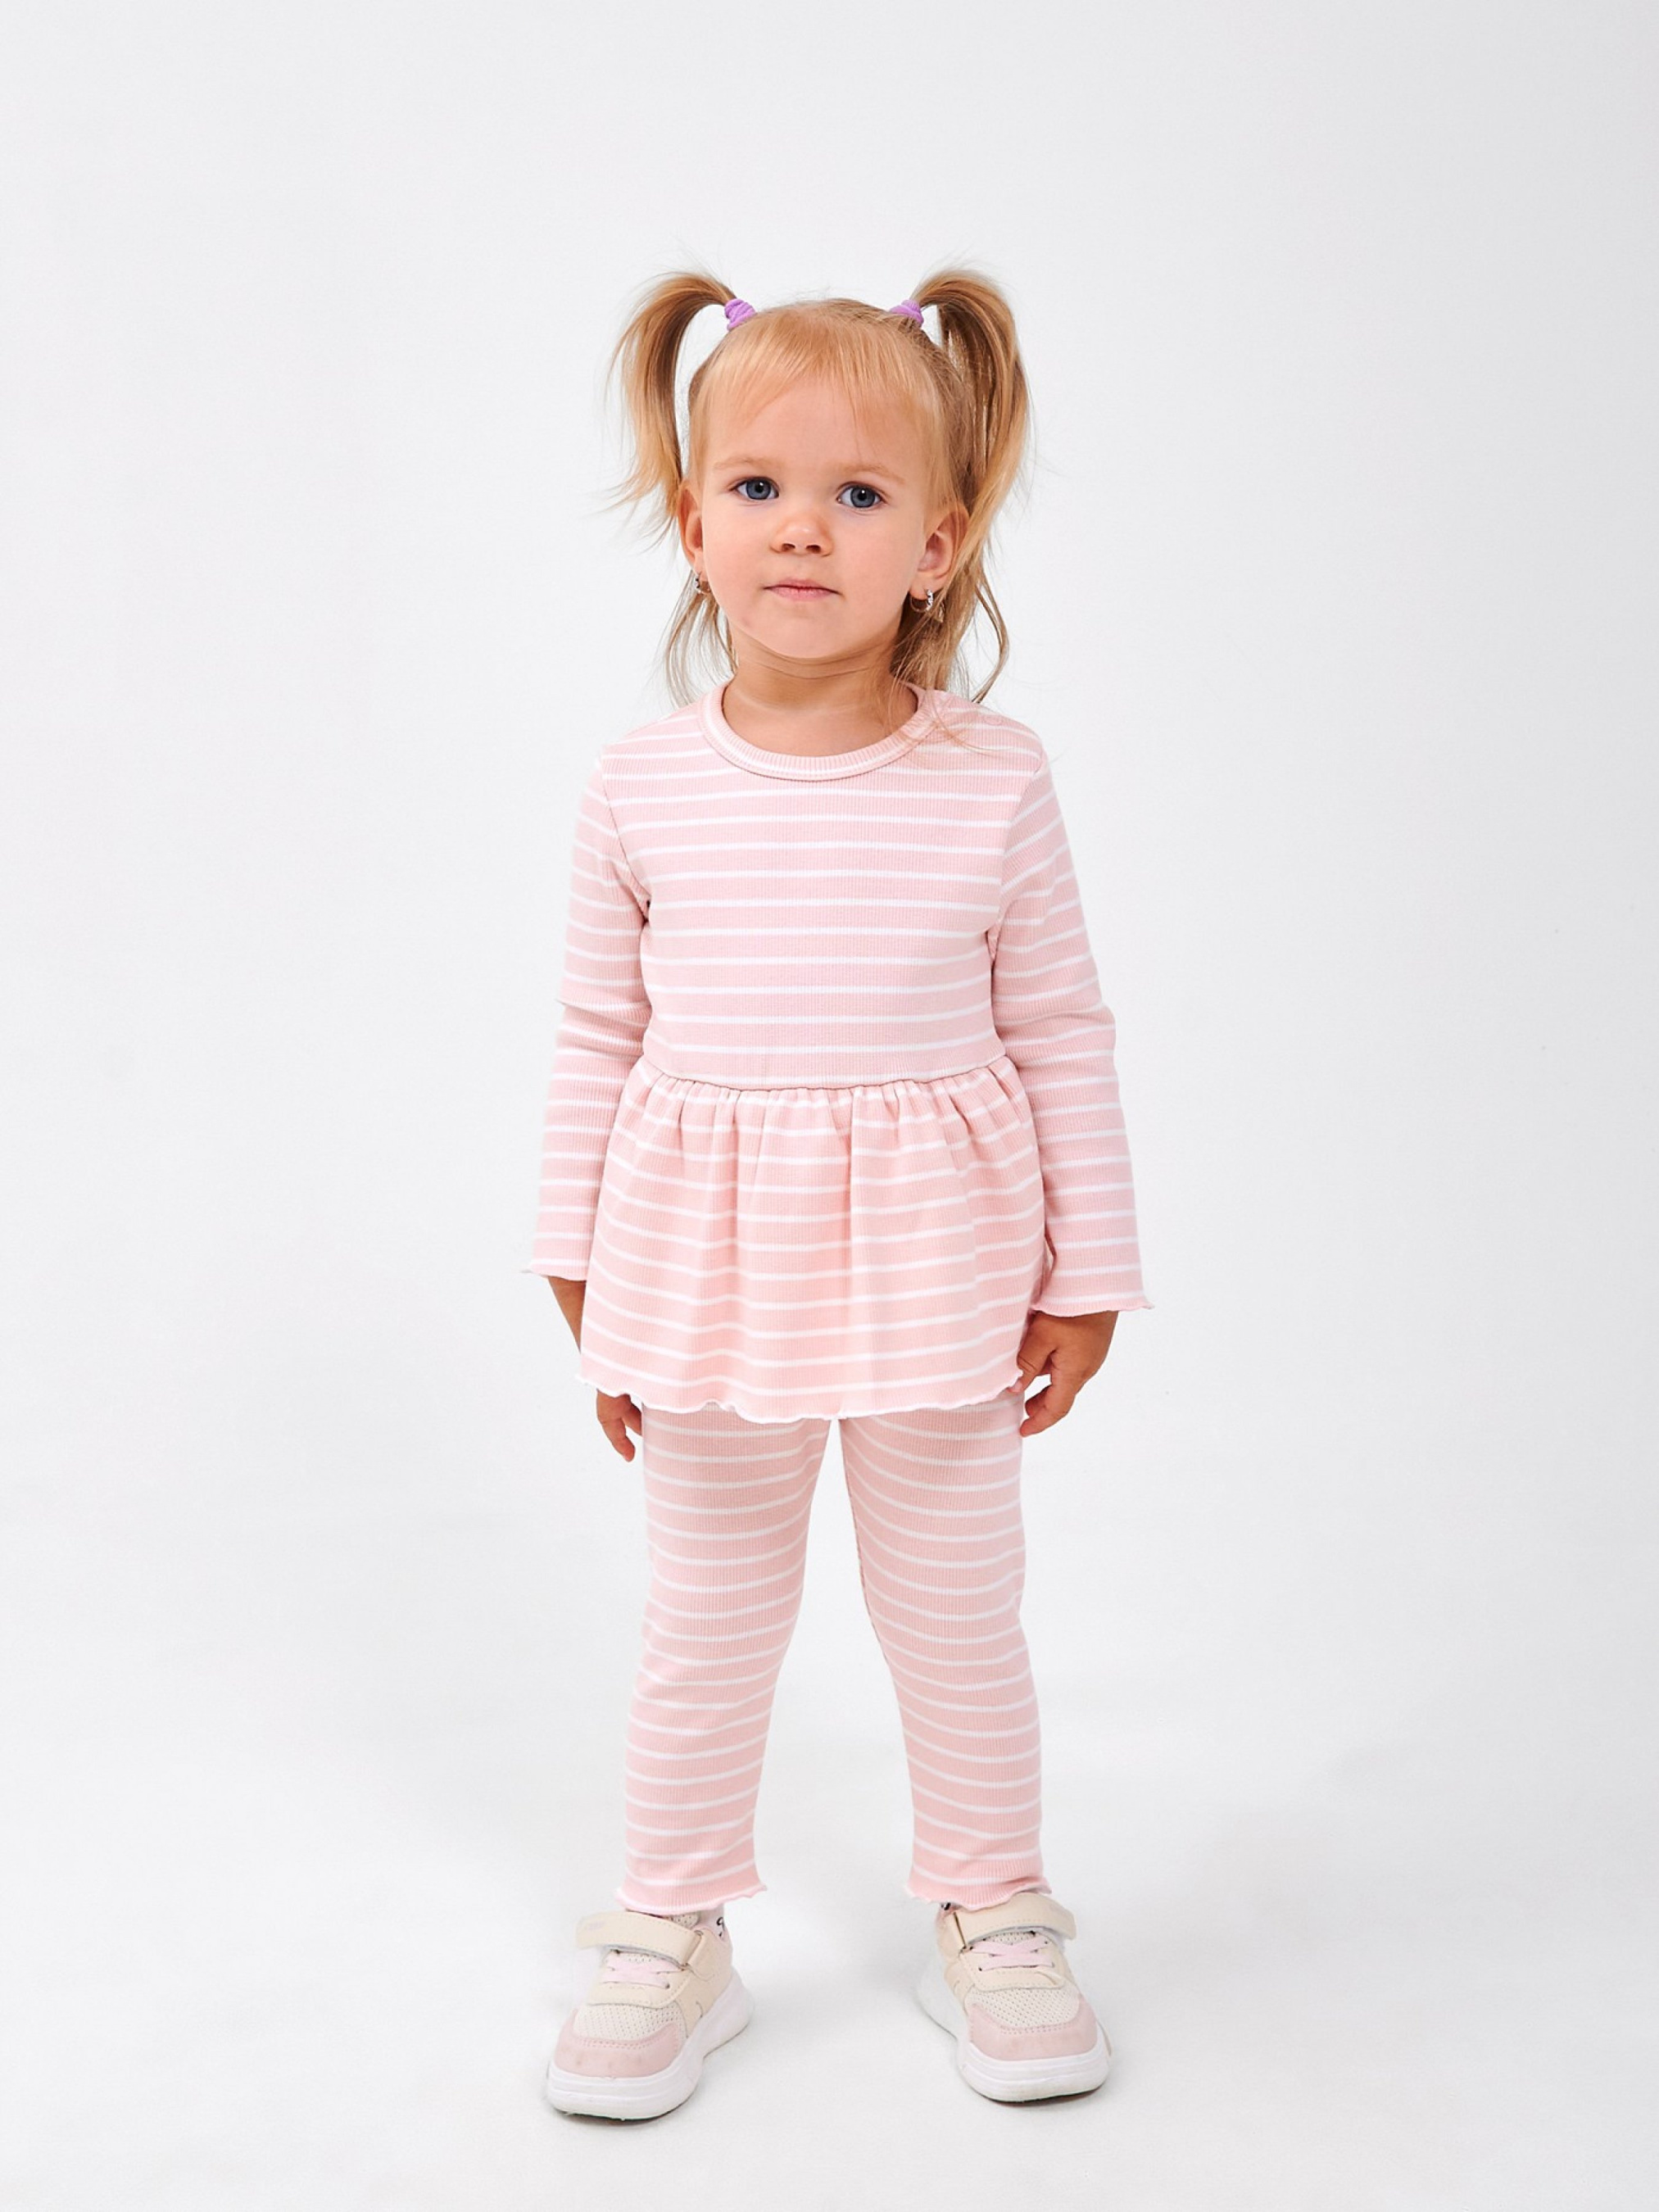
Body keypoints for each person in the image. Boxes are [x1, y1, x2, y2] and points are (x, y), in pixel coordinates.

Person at [526, 270, 1152, 2119]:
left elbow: (1059, 1024)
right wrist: (576, 1256)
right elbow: (592, 1032)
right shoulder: (641, 785)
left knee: (955, 1613)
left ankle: (992, 1902)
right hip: (702, 1272)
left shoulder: (992, 780)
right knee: (707, 1618)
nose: (802, 527)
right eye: (759, 487)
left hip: (944, 1274)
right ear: (691, 518)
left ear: (936, 545)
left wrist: (1089, 1268)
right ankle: (671, 1922)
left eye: (858, 494)